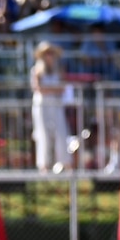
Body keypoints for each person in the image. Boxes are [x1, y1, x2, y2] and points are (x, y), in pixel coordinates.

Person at [30, 41, 70, 171]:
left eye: (51, 53)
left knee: (61, 132)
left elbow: (63, 88)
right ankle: (44, 165)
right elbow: (39, 88)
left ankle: (64, 163)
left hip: (56, 104)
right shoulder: (37, 70)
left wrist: (50, 89)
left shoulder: (59, 70)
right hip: (42, 105)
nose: (49, 56)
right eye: (47, 53)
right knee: (43, 134)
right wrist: (54, 89)